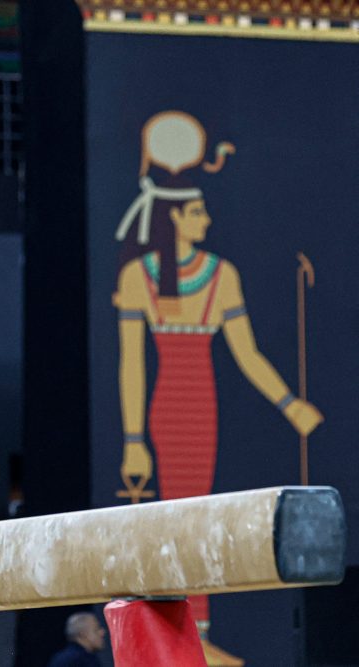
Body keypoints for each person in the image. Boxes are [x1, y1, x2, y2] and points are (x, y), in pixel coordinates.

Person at [114, 112, 322, 628]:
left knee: (199, 513)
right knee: (176, 516)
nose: (207, 220)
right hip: (166, 408)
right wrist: (135, 439)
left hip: (201, 407)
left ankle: (198, 629)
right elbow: (132, 363)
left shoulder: (221, 275)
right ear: (176, 220)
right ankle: (188, 629)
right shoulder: (138, 278)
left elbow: (247, 354)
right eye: (199, 212)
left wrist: (291, 406)